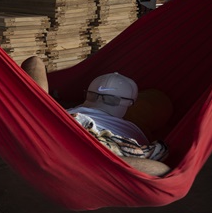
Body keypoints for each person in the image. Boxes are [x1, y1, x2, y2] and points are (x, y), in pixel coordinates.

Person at [21, 56, 170, 176]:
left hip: (53, 131)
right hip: (87, 156)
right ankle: (90, 162)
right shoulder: (133, 130)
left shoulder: (54, 114)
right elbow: (159, 169)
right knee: (163, 170)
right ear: (128, 104)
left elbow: (33, 61)